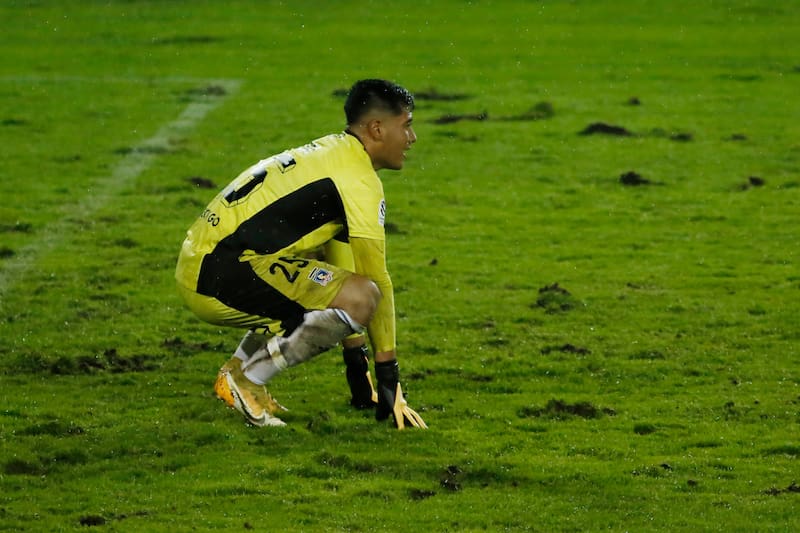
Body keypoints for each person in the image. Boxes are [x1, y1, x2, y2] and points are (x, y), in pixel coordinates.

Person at [175, 79, 426, 430]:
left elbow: (342, 267)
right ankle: (250, 379)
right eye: (407, 125)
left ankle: (236, 371)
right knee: (364, 295)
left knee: (326, 283)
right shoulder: (357, 181)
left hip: (205, 264)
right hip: (219, 273)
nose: (412, 138)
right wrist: (389, 379)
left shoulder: (334, 153)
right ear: (377, 128)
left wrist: (357, 364)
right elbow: (373, 286)